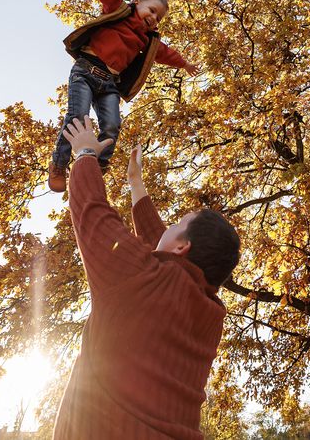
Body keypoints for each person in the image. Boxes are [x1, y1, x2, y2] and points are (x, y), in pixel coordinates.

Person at [54, 116, 240, 440]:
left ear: (183, 246)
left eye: (177, 222)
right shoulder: (209, 314)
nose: (167, 226)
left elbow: (93, 213)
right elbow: (165, 257)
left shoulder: (142, 279)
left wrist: (84, 155)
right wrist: (136, 187)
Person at [48, 0, 199, 192]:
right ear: (137, 3)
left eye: (158, 18)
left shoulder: (147, 41)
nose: (153, 19)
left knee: (112, 125)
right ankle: (59, 163)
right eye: (151, 11)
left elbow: (165, 53)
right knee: (78, 116)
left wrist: (183, 63)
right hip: (85, 72)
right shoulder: (117, 10)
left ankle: (98, 165)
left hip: (109, 85)